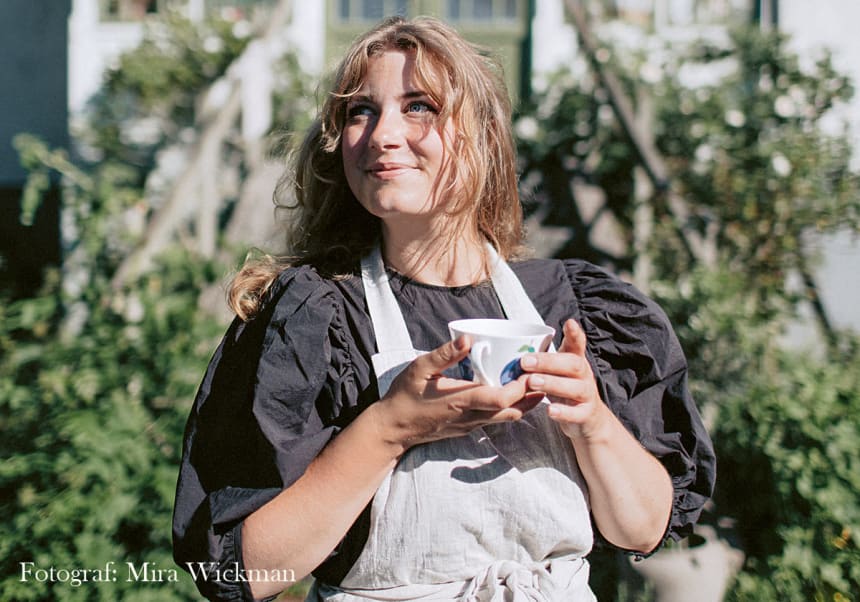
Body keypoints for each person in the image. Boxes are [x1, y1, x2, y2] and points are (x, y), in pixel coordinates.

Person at [172, 15, 715, 602]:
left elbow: (643, 528)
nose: (382, 135)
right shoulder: (316, 322)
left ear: (480, 135)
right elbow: (243, 575)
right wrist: (389, 428)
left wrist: (590, 420)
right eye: (361, 111)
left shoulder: (574, 306)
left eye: (419, 107)